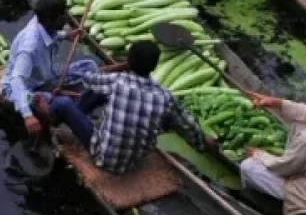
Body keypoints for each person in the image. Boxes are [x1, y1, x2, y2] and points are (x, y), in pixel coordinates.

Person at [49, 41, 214, 174]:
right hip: (133, 164)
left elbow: (88, 78)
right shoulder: (165, 96)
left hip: (103, 156)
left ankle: (51, 121)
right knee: (103, 92)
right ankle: (81, 113)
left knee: (63, 103)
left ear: (129, 61)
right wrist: (201, 142)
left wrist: (118, 67)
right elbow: (189, 125)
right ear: (155, 66)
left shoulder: (117, 81)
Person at [239, 78, 306, 215]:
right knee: (300, 122)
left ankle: (257, 198)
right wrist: (278, 103)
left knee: (248, 166)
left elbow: (282, 168)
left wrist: (260, 155)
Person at [0, 0, 99, 136]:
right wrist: (28, 116)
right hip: (26, 89)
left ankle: (80, 109)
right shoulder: (30, 47)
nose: (66, 19)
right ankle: (91, 138)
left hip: (45, 76)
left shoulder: (42, 22)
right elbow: (16, 80)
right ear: (48, 20)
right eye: (61, 17)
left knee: (89, 67)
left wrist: (66, 35)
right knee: (63, 103)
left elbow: (52, 33)